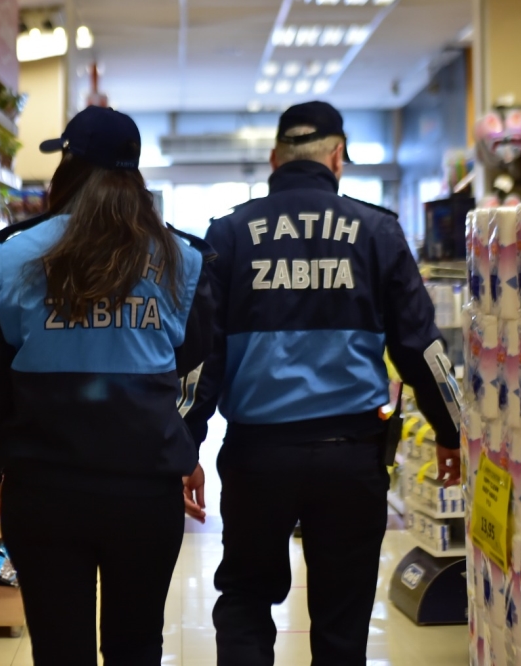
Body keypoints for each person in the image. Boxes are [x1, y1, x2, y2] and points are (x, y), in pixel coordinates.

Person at [184, 101, 462, 666]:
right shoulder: (378, 229)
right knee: (341, 621)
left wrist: (181, 444)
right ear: (338, 158)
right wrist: (451, 429)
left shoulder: (231, 233)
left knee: (244, 600)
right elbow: (421, 345)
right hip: (349, 459)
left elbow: (200, 359)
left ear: (274, 159)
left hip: (256, 457)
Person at [0, 105, 214, 666]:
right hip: (145, 496)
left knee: (58, 650)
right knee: (137, 644)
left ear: (68, 167)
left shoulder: (11, 255)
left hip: (44, 494)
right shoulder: (180, 259)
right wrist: (184, 445)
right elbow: (200, 367)